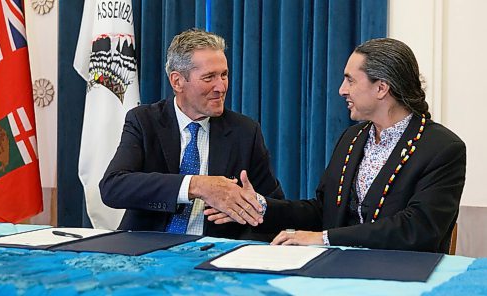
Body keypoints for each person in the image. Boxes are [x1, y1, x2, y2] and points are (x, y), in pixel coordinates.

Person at [206, 38, 466, 253]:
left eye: (350, 80)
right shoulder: (352, 138)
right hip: (339, 272)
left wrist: (324, 239)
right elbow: (323, 211)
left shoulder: (443, 148)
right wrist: (261, 205)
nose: (342, 90)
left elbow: (417, 230)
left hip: (403, 279)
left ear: (382, 88)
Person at [100, 28, 283, 240]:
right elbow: (113, 187)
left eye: (224, 75)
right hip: (145, 249)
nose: (221, 87)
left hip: (212, 253)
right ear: (177, 81)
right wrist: (196, 185)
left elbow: (275, 208)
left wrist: (252, 206)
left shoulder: (245, 132)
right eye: (209, 77)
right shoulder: (144, 121)